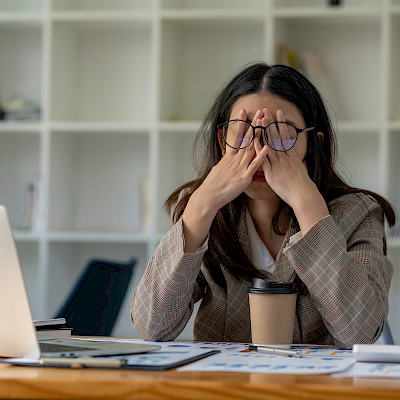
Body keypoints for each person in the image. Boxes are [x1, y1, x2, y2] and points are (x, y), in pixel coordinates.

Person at [131, 62, 396, 347]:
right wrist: (201, 205)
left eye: (280, 133)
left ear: (313, 144)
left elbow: (360, 333)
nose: (259, 150)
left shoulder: (359, 213)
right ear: (223, 142)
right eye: (242, 131)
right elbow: (152, 327)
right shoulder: (205, 212)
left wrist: (309, 205)